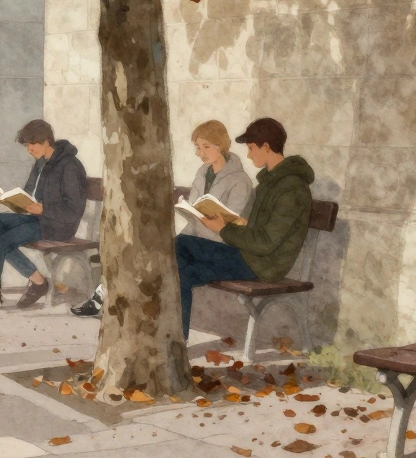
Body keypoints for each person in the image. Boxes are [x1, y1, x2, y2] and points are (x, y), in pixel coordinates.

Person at [72, 120, 254, 317]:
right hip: (195, 245)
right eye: (197, 147)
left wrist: (186, 238)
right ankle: (108, 295)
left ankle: (110, 298)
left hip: (221, 248)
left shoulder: (240, 180)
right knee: (152, 255)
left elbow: (231, 226)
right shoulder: (203, 173)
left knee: (157, 259)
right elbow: (194, 218)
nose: (199, 153)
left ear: (222, 145)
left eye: (206, 147)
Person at [174, 117, 313, 339]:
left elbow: (266, 243)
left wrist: (223, 228)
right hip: (250, 256)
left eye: (251, 148)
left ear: (266, 147)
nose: (248, 155)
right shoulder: (271, 181)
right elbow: (261, 228)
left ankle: (177, 341)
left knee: (179, 244)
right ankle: (177, 343)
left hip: (262, 265)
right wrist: (240, 224)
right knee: (182, 273)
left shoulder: (292, 188)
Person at [0, 120, 87, 309]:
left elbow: (74, 209)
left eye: (32, 144)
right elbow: (29, 194)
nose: (29, 149)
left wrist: (44, 208)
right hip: (36, 218)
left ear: (46, 141)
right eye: (27, 145)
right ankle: (39, 282)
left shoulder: (70, 165)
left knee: (2, 241)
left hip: (58, 225)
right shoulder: (41, 163)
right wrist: (18, 203)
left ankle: (39, 283)